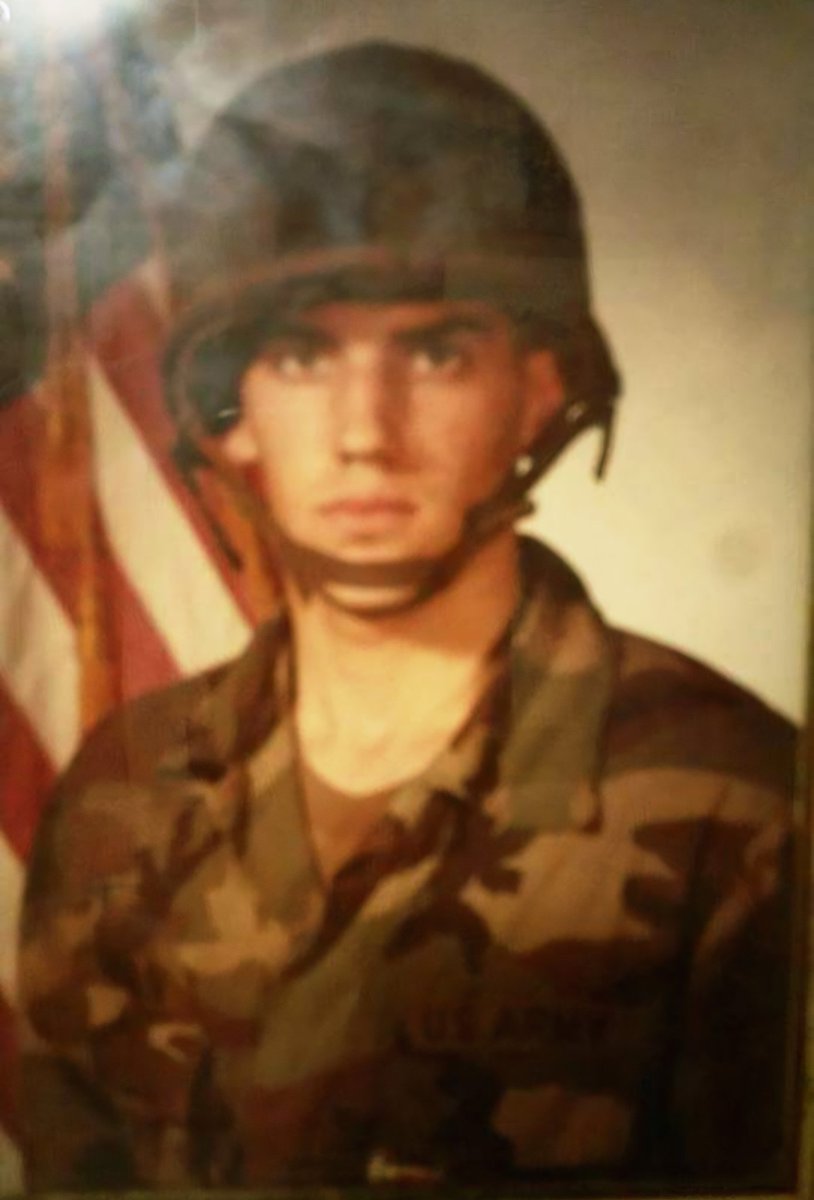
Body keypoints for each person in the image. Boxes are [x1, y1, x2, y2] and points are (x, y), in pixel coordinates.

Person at [18, 41, 799, 1191]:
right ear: (225, 415)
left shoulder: (736, 807)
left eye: (433, 353)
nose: (363, 430)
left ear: (542, 385)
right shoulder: (117, 795)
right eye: (298, 356)